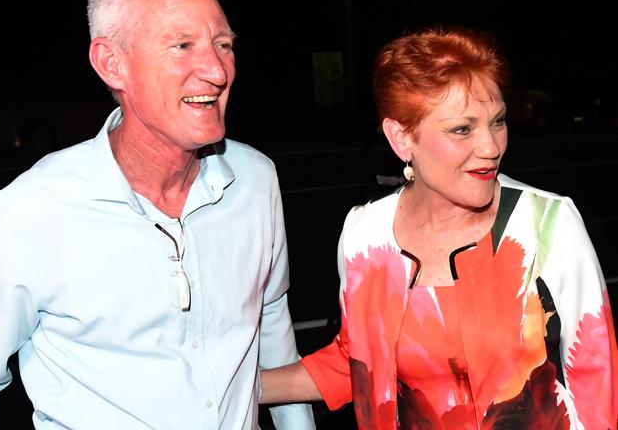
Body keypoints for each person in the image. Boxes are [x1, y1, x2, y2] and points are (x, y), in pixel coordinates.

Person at [0, 0, 315, 430]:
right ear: (113, 64)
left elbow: (271, 321)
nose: (216, 70)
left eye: (223, 44)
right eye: (182, 45)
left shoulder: (255, 181)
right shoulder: (31, 212)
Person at [260, 27, 618, 428]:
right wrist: (237, 387)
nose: (491, 147)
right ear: (401, 138)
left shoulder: (548, 225)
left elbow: (595, 376)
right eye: (462, 129)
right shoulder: (366, 236)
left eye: (497, 122)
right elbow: (360, 360)